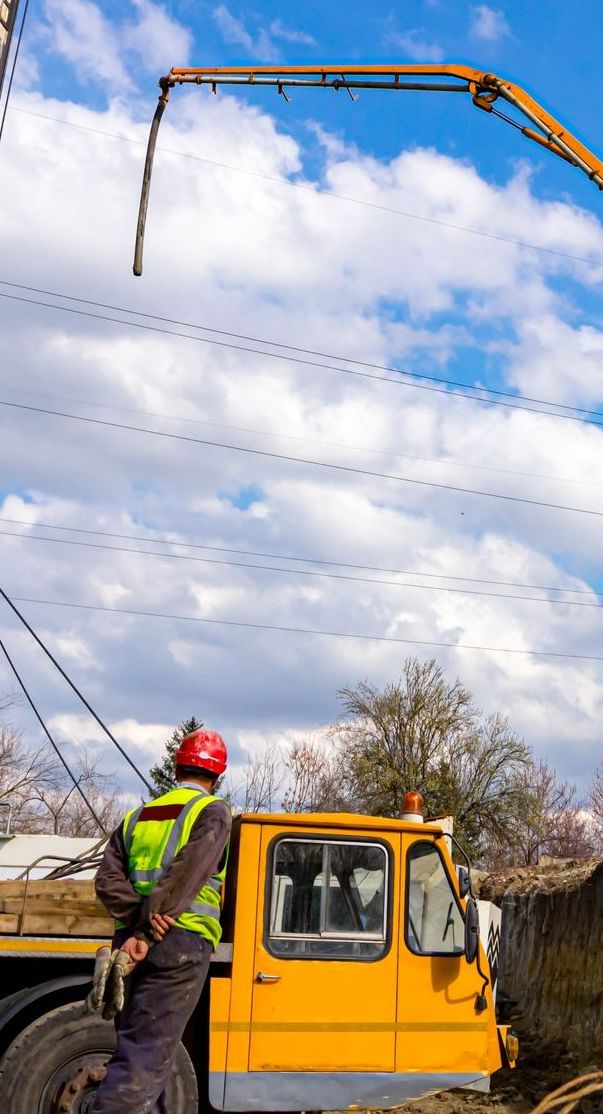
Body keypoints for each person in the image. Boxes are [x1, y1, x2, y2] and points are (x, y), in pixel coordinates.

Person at [90, 727, 231, 1114]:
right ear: (217, 777)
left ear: (176, 769)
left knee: (154, 1056)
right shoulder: (213, 812)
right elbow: (187, 874)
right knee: (144, 1055)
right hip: (178, 943)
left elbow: (105, 882)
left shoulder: (136, 817)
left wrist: (136, 925)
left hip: (128, 948)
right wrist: (149, 929)